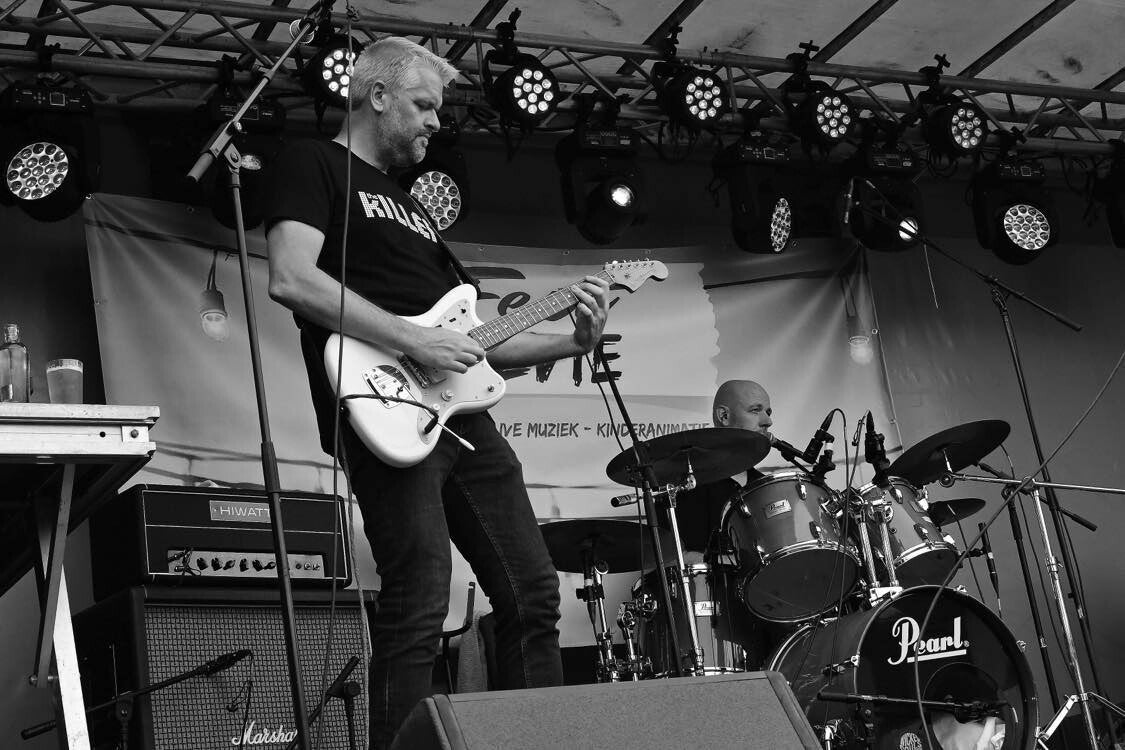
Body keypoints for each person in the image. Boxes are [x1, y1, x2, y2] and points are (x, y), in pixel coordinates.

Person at [265, 37, 611, 749]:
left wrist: (572, 342)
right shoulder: (313, 163)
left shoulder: (416, 211)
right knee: (420, 597)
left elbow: (476, 345)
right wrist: (410, 341)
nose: (434, 122)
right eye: (423, 105)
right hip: (382, 408)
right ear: (376, 95)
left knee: (533, 593)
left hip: (461, 420)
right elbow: (292, 278)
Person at [672, 379, 773, 554]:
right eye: (755, 410)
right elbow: (677, 559)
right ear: (724, 416)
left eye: (768, 412)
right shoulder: (686, 486)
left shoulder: (766, 486)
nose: (768, 421)